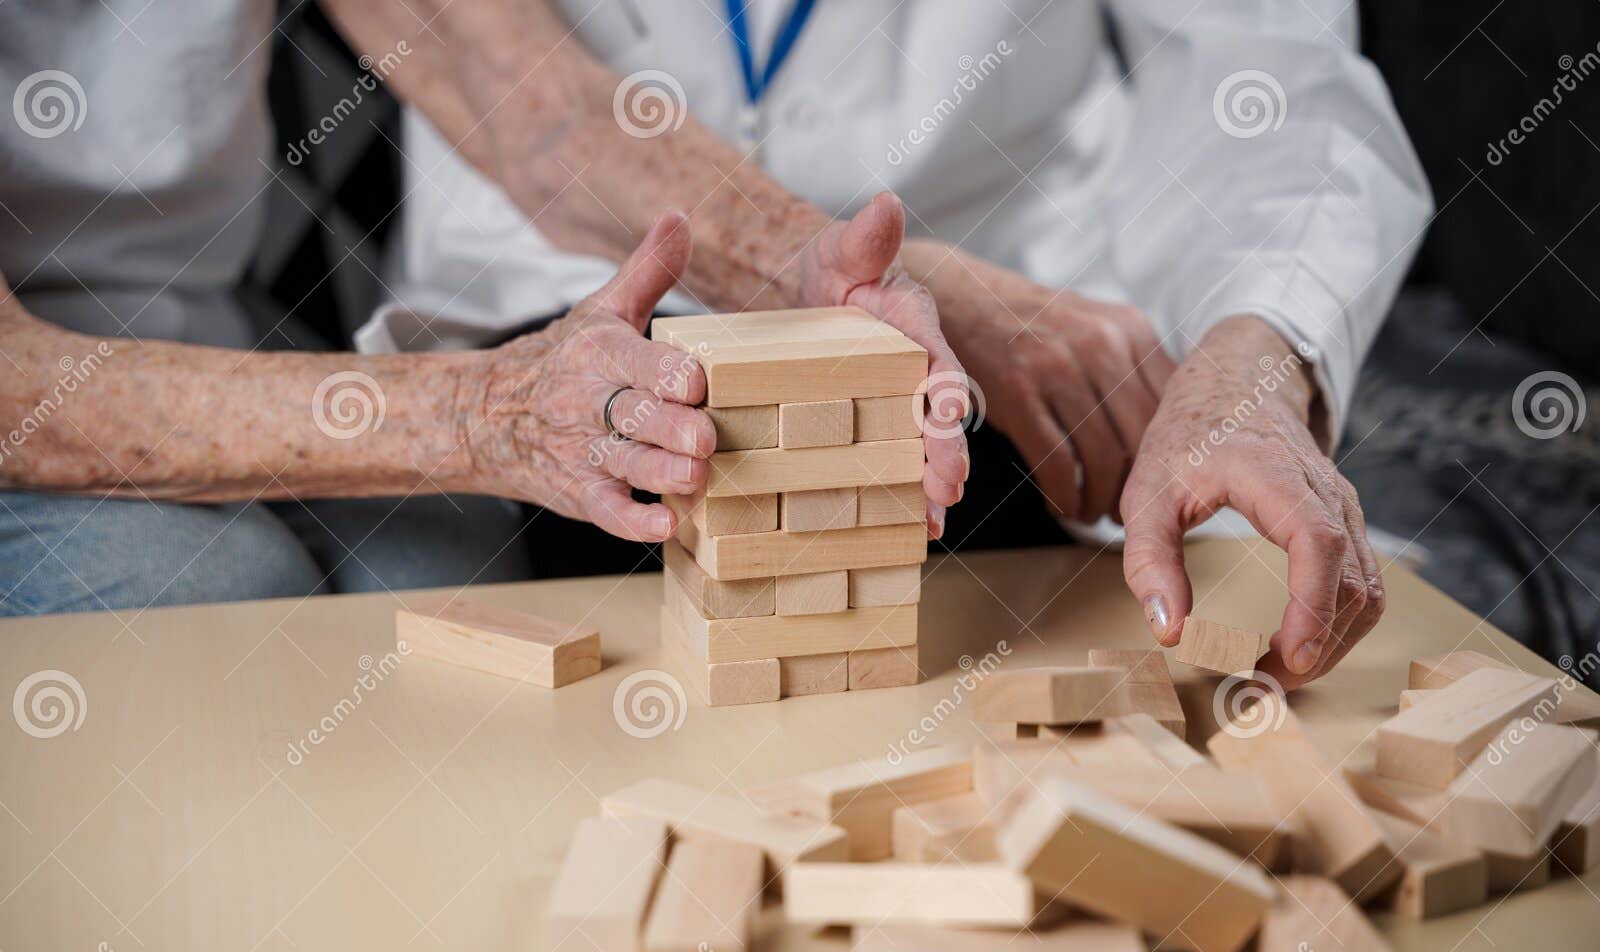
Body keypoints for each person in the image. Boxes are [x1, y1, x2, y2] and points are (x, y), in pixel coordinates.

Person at [0, 1, 1431, 692]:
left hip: (1016, 384)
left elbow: (513, 82)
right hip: (509, 360)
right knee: (275, 639)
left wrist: (1251, 360)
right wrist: (490, 415)